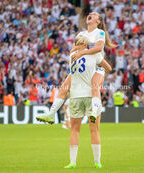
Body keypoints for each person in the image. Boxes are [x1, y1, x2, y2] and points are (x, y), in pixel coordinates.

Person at [37, 12, 115, 124]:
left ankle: (94, 111)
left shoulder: (100, 32)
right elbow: (73, 50)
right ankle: (51, 114)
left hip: (96, 65)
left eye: (94, 14)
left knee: (94, 86)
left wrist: (82, 52)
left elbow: (98, 48)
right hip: (81, 66)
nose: (90, 14)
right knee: (64, 88)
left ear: (98, 21)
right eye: (90, 13)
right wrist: (79, 50)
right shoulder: (81, 34)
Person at [63, 35, 111, 169]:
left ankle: (72, 162)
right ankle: (97, 162)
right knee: (94, 130)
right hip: (91, 96)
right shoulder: (95, 55)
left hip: (76, 96)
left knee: (74, 130)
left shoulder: (72, 56)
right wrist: (100, 74)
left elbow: (74, 49)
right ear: (87, 44)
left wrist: (77, 47)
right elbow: (108, 68)